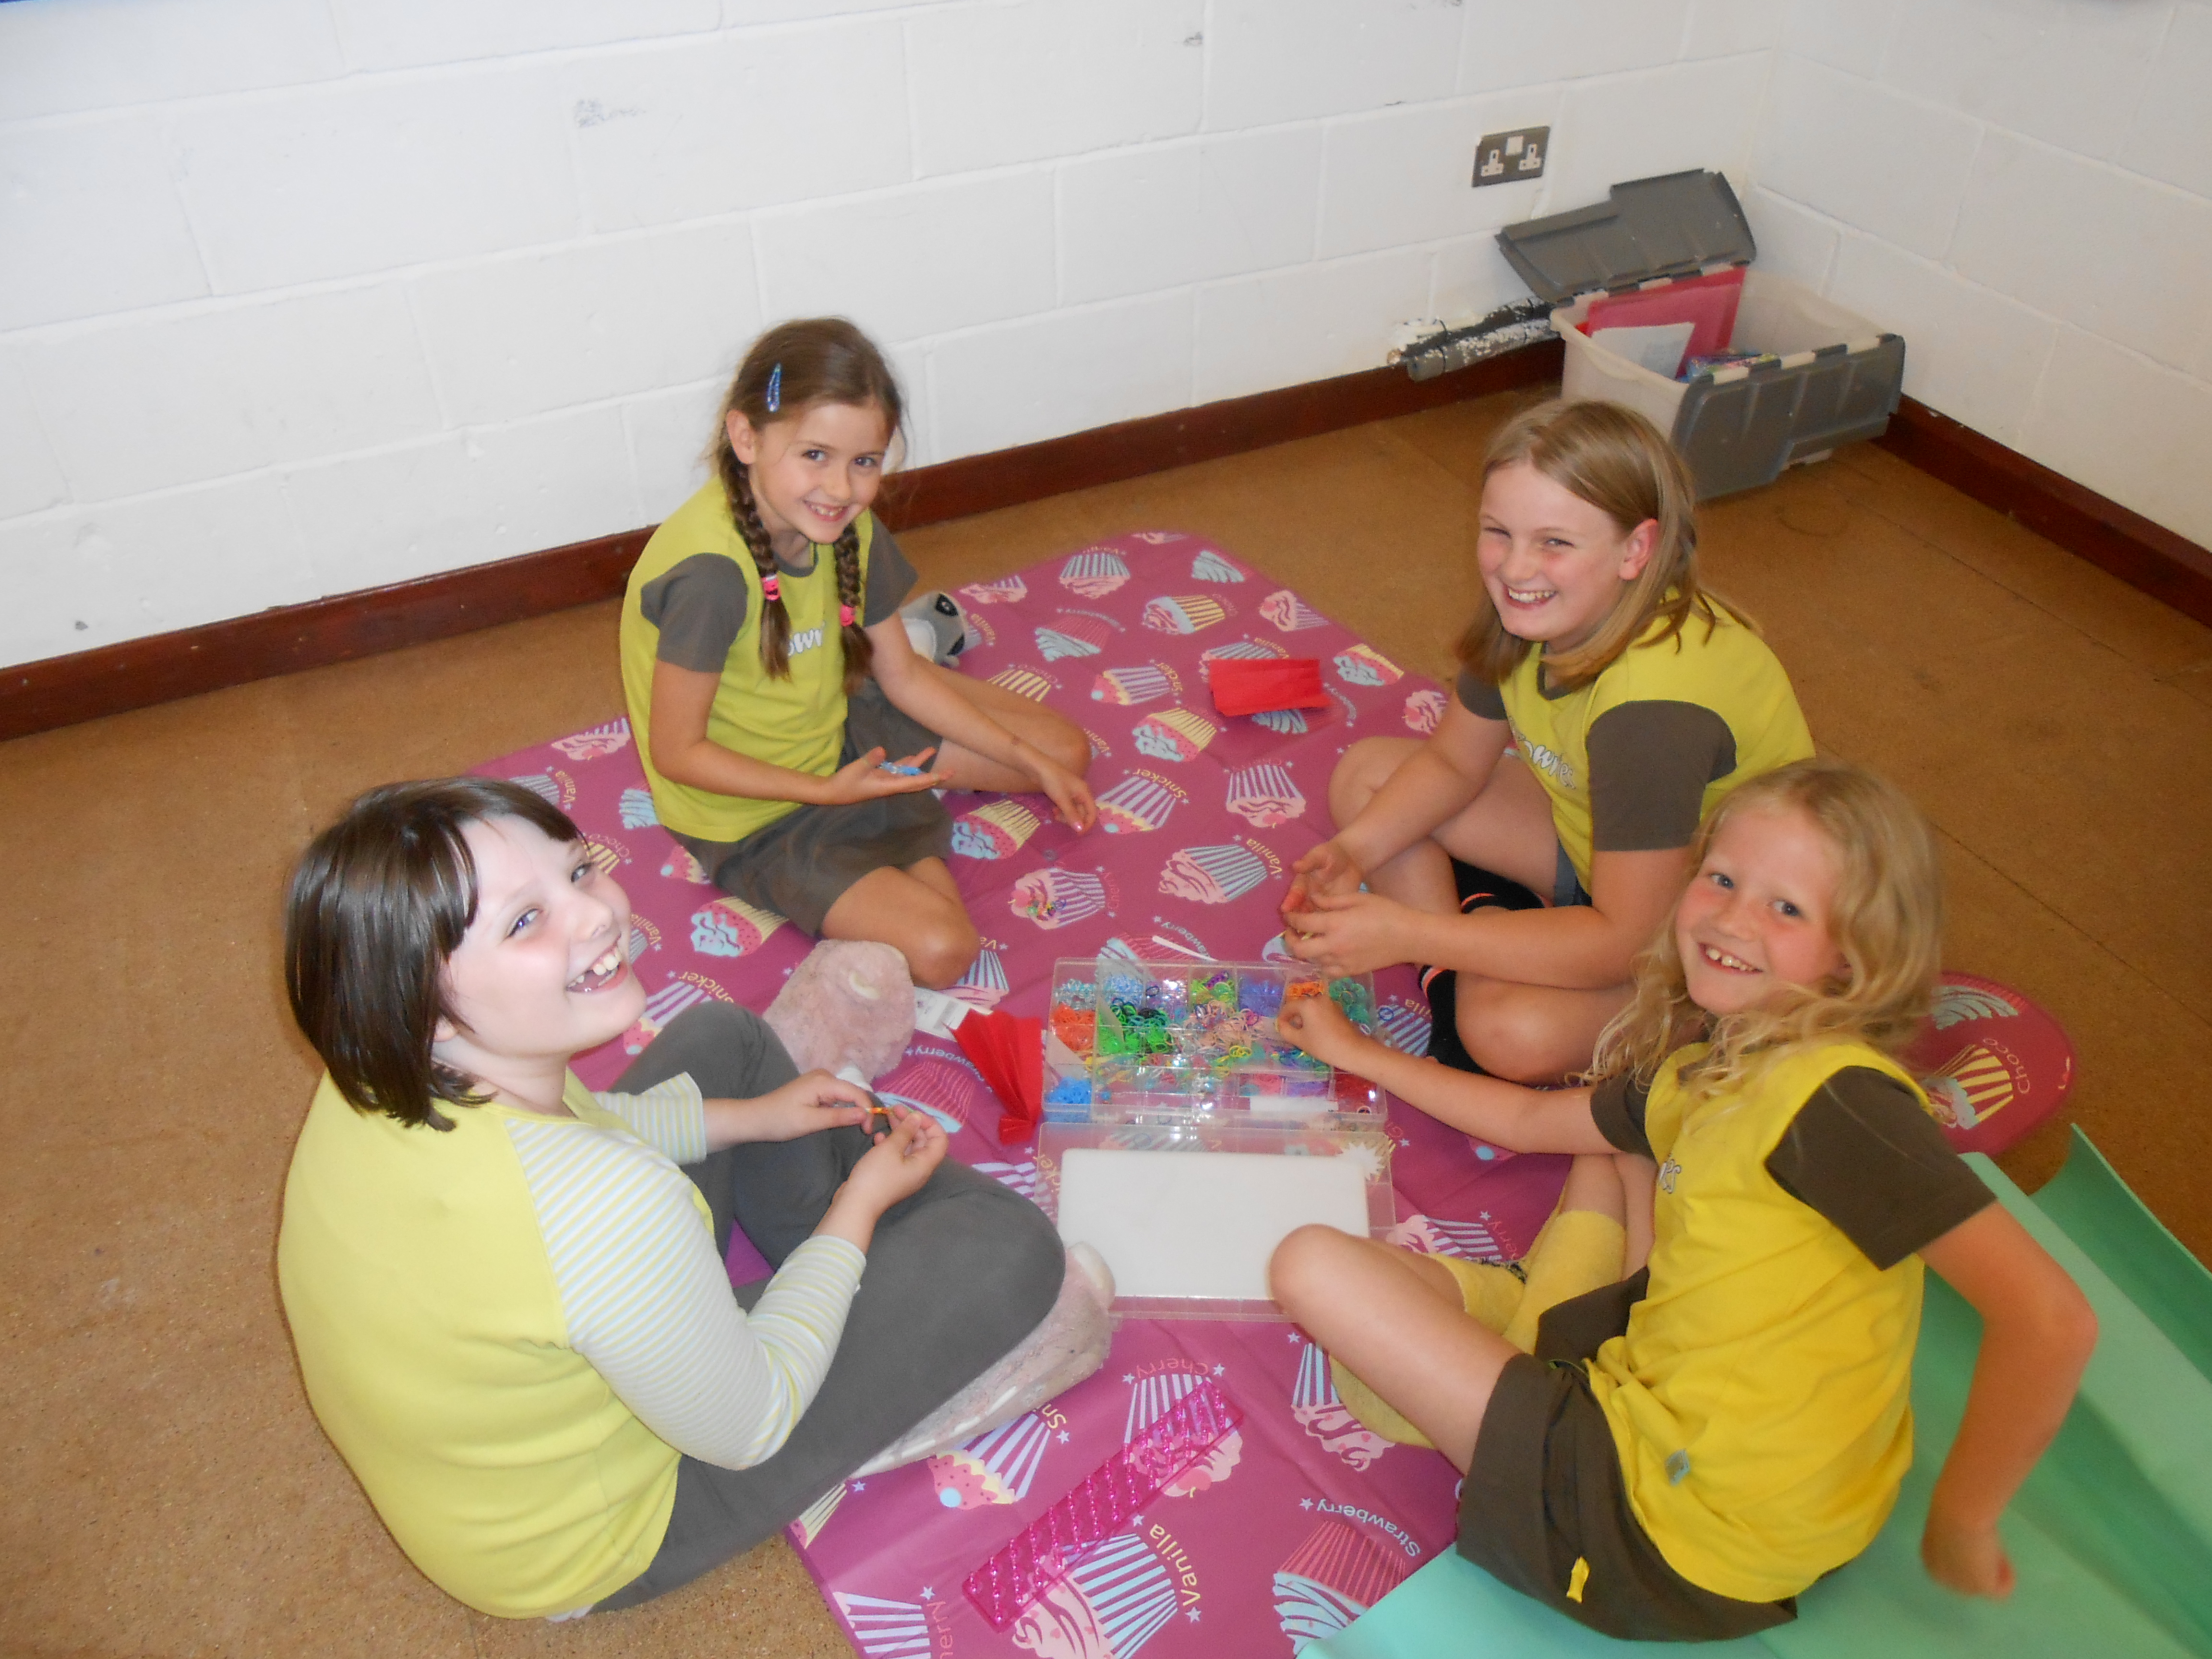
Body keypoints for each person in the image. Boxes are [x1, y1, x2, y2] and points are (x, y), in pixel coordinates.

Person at [1269, 758, 2098, 1641]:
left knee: (1310, 1266)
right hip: (1732, 1468)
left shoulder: (1838, 1105)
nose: (1733, 920)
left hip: (1655, 1532)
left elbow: (2051, 1320)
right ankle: (1529, 1338)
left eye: (1787, 908)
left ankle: (1527, 1342)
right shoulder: (1712, 1065)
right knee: (1620, 1142)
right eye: (1723, 879)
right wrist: (1357, 1054)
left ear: (1856, 958)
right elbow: (1528, 1119)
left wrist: (1966, 1519)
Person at [276, 778, 1073, 1620]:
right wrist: (858, 1209)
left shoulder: (383, 1067)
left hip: (494, 1445)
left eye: (577, 871)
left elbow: (587, 1119)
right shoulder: (606, 1205)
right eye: (524, 921)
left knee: (727, 1041)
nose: (596, 913)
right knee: (1011, 1247)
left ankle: (843, 1250)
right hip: (606, 1533)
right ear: (423, 1008)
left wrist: (755, 1118)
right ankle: (873, 1283)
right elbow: (751, 1424)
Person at [1282, 398, 1813, 1082]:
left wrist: (1408, 932)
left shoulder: (1650, 717)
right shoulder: (1528, 614)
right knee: (1366, 779)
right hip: (1599, 849)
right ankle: (1476, 953)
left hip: (1694, 928)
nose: (1514, 568)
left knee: (1510, 1035)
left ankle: (1704, 1017)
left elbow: (1627, 938)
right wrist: (1353, 853)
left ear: (1636, 550)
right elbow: (1452, 762)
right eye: (1498, 532)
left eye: (1554, 543)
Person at [620, 317, 1096, 990]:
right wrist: (826, 793)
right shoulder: (711, 577)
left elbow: (900, 677)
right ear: (746, 437)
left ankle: (898, 672)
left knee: (1065, 755)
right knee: (943, 950)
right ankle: (882, 810)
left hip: (840, 718)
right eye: (815, 455)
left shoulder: (846, 525)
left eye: (864, 462)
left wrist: (1029, 761)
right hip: (756, 811)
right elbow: (677, 752)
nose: (842, 489)